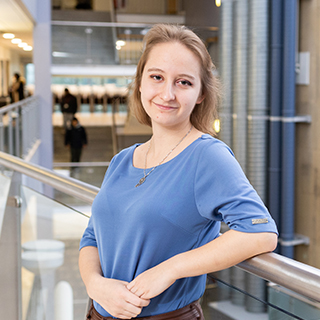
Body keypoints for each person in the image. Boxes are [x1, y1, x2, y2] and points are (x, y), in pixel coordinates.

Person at [79, 24, 278, 320]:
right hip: (97, 311)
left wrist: (170, 269)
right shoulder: (122, 160)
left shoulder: (207, 157)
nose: (167, 93)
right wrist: (96, 286)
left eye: (183, 82)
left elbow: (260, 232)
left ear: (200, 93)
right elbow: (92, 237)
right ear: (141, 83)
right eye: (157, 77)